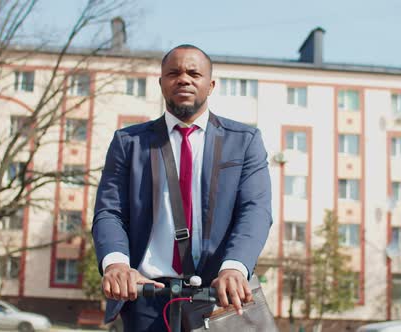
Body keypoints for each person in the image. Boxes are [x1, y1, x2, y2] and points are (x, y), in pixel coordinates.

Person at [92, 44, 272, 331]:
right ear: (161, 83)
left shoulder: (245, 141)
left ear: (210, 85)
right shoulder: (129, 143)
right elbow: (109, 211)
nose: (183, 79)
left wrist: (235, 267)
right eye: (173, 73)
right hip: (146, 294)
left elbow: (255, 211)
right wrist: (116, 264)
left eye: (194, 73)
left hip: (218, 297)